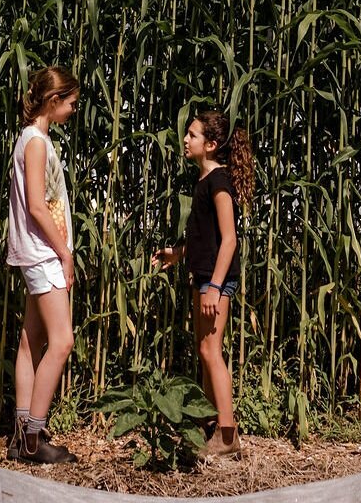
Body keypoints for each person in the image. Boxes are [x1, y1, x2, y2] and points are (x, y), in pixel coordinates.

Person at [150, 109, 254, 458]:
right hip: (205, 277)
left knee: (212, 351)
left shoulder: (219, 182)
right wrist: (177, 253)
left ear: (210, 145)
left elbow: (229, 241)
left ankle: (228, 435)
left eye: (192, 135)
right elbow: (203, 238)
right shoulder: (204, 181)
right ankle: (212, 424)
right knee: (205, 351)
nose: (185, 139)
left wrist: (214, 286)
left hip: (216, 280)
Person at [5, 66, 81, 464]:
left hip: (37, 251)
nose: (72, 110)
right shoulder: (35, 142)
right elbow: (37, 204)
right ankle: (34, 437)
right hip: (42, 252)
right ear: (53, 102)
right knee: (62, 340)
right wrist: (65, 253)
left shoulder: (35, 139)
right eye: (70, 103)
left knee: (30, 340)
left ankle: (22, 434)